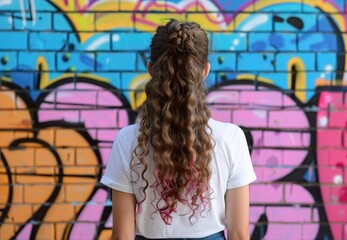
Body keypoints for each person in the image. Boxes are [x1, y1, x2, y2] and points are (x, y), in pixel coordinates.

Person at [100, 19, 257, 240]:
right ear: (205, 70)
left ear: (151, 70)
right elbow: (239, 234)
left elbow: (121, 236)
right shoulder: (232, 138)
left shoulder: (127, 140)